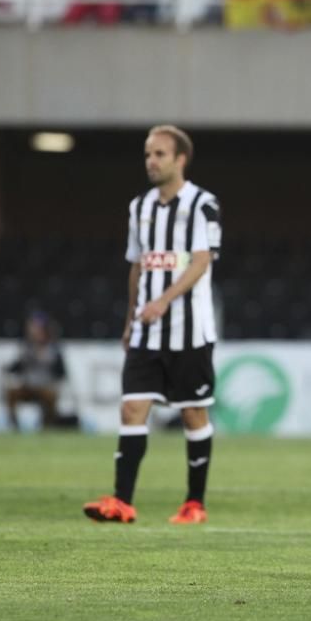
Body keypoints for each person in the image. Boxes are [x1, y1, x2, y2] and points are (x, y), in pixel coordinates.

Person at [83, 125, 221, 525]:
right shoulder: (139, 208)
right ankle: (122, 501)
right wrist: (131, 319)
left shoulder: (203, 204)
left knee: (193, 415)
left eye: (159, 154)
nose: (151, 161)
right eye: (147, 154)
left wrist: (163, 300)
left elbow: (201, 261)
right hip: (146, 330)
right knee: (132, 408)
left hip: (189, 331)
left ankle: (194, 503)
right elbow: (137, 266)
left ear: (180, 160)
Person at [4, 311, 76, 431]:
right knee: (11, 393)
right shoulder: (27, 347)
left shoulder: (53, 349)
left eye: (36, 328)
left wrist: (54, 381)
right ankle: (14, 425)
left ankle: (46, 425)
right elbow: (17, 367)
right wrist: (8, 369)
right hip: (27, 386)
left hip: (45, 387)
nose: (34, 331)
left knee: (51, 396)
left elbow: (61, 372)